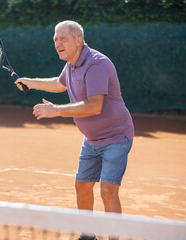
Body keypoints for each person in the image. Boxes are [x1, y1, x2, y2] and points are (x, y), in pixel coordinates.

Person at [15, 20, 134, 240]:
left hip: (116, 137)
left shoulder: (96, 64)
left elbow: (94, 105)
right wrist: (30, 82)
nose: (57, 43)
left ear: (78, 40)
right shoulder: (71, 63)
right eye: (55, 39)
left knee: (108, 191)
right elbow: (60, 84)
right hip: (91, 139)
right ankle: (88, 235)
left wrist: (56, 110)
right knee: (82, 186)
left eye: (63, 39)